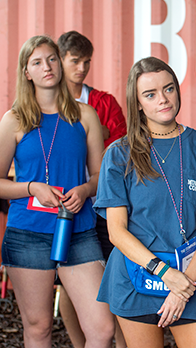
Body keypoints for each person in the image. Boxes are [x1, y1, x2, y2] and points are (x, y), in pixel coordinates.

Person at [94, 57, 196, 348]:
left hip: (191, 276)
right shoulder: (119, 154)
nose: (163, 99)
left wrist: (182, 285)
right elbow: (116, 231)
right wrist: (164, 273)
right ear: (138, 103)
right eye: (150, 94)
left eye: (168, 89)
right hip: (137, 275)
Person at [0, 35, 114, 347]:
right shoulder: (13, 120)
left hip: (79, 230)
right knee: (39, 329)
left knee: (102, 329)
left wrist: (85, 189)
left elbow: (99, 176)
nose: (47, 66)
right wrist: (31, 187)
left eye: (52, 58)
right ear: (27, 72)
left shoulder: (84, 115)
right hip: (28, 234)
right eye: (37, 62)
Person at [57, 30, 127, 348]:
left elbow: (121, 149)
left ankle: (123, 342)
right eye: (75, 61)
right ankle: (78, 342)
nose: (82, 68)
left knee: (114, 276)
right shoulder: (44, 102)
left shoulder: (103, 102)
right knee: (70, 282)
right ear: (59, 60)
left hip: (100, 200)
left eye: (87, 61)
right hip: (60, 204)